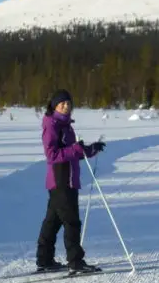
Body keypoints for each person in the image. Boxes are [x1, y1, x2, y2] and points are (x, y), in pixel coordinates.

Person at [36, 89, 106, 273]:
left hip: (67, 179)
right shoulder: (52, 125)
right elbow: (52, 154)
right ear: (54, 106)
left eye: (69, 103)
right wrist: (75, 150)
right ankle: (75, 262)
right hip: (61, 180)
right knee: (72, 221)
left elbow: (74, 152)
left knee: (53, 221)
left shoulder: (66, 125)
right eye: (62, 104)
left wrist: (91, 149)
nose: (66, 106)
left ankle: (45, 260)